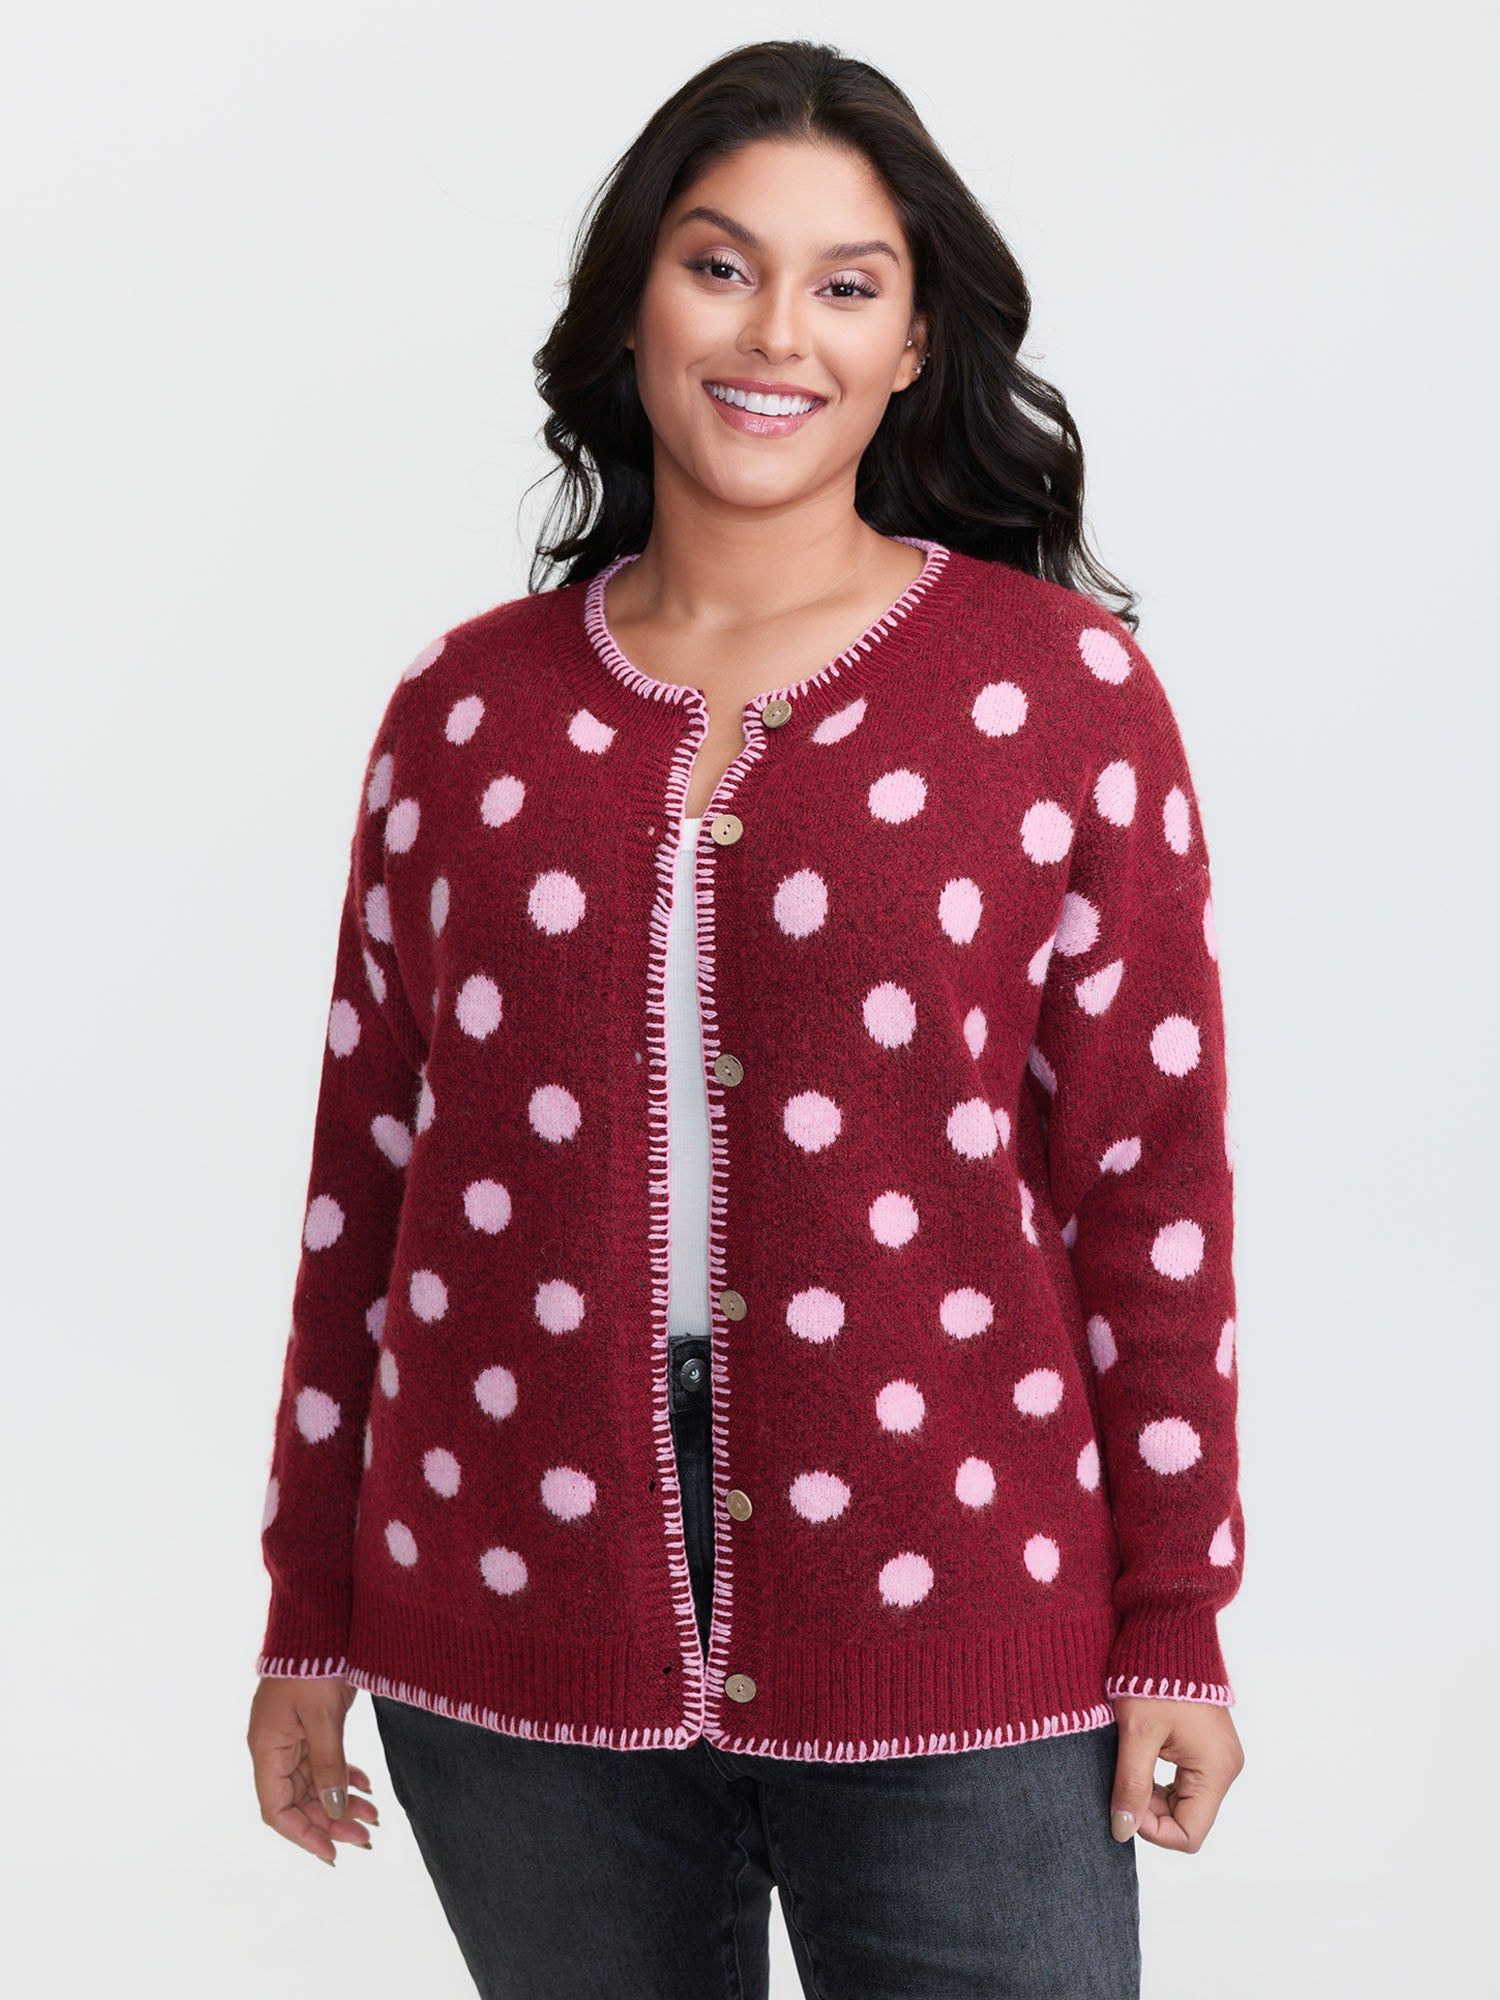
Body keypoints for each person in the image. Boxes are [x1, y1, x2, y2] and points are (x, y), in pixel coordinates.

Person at [247, 37, 1245, 1999]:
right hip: (505, 1603)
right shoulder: (463, 717)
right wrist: (309, 1601)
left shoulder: (1059, 696)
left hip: (959, 1592)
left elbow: (1148, 1187)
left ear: (913, 345)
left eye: (845, 283)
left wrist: (1177, 1616)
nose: (776, 329)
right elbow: (369, 1178)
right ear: (634, 302)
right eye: (719, 265)